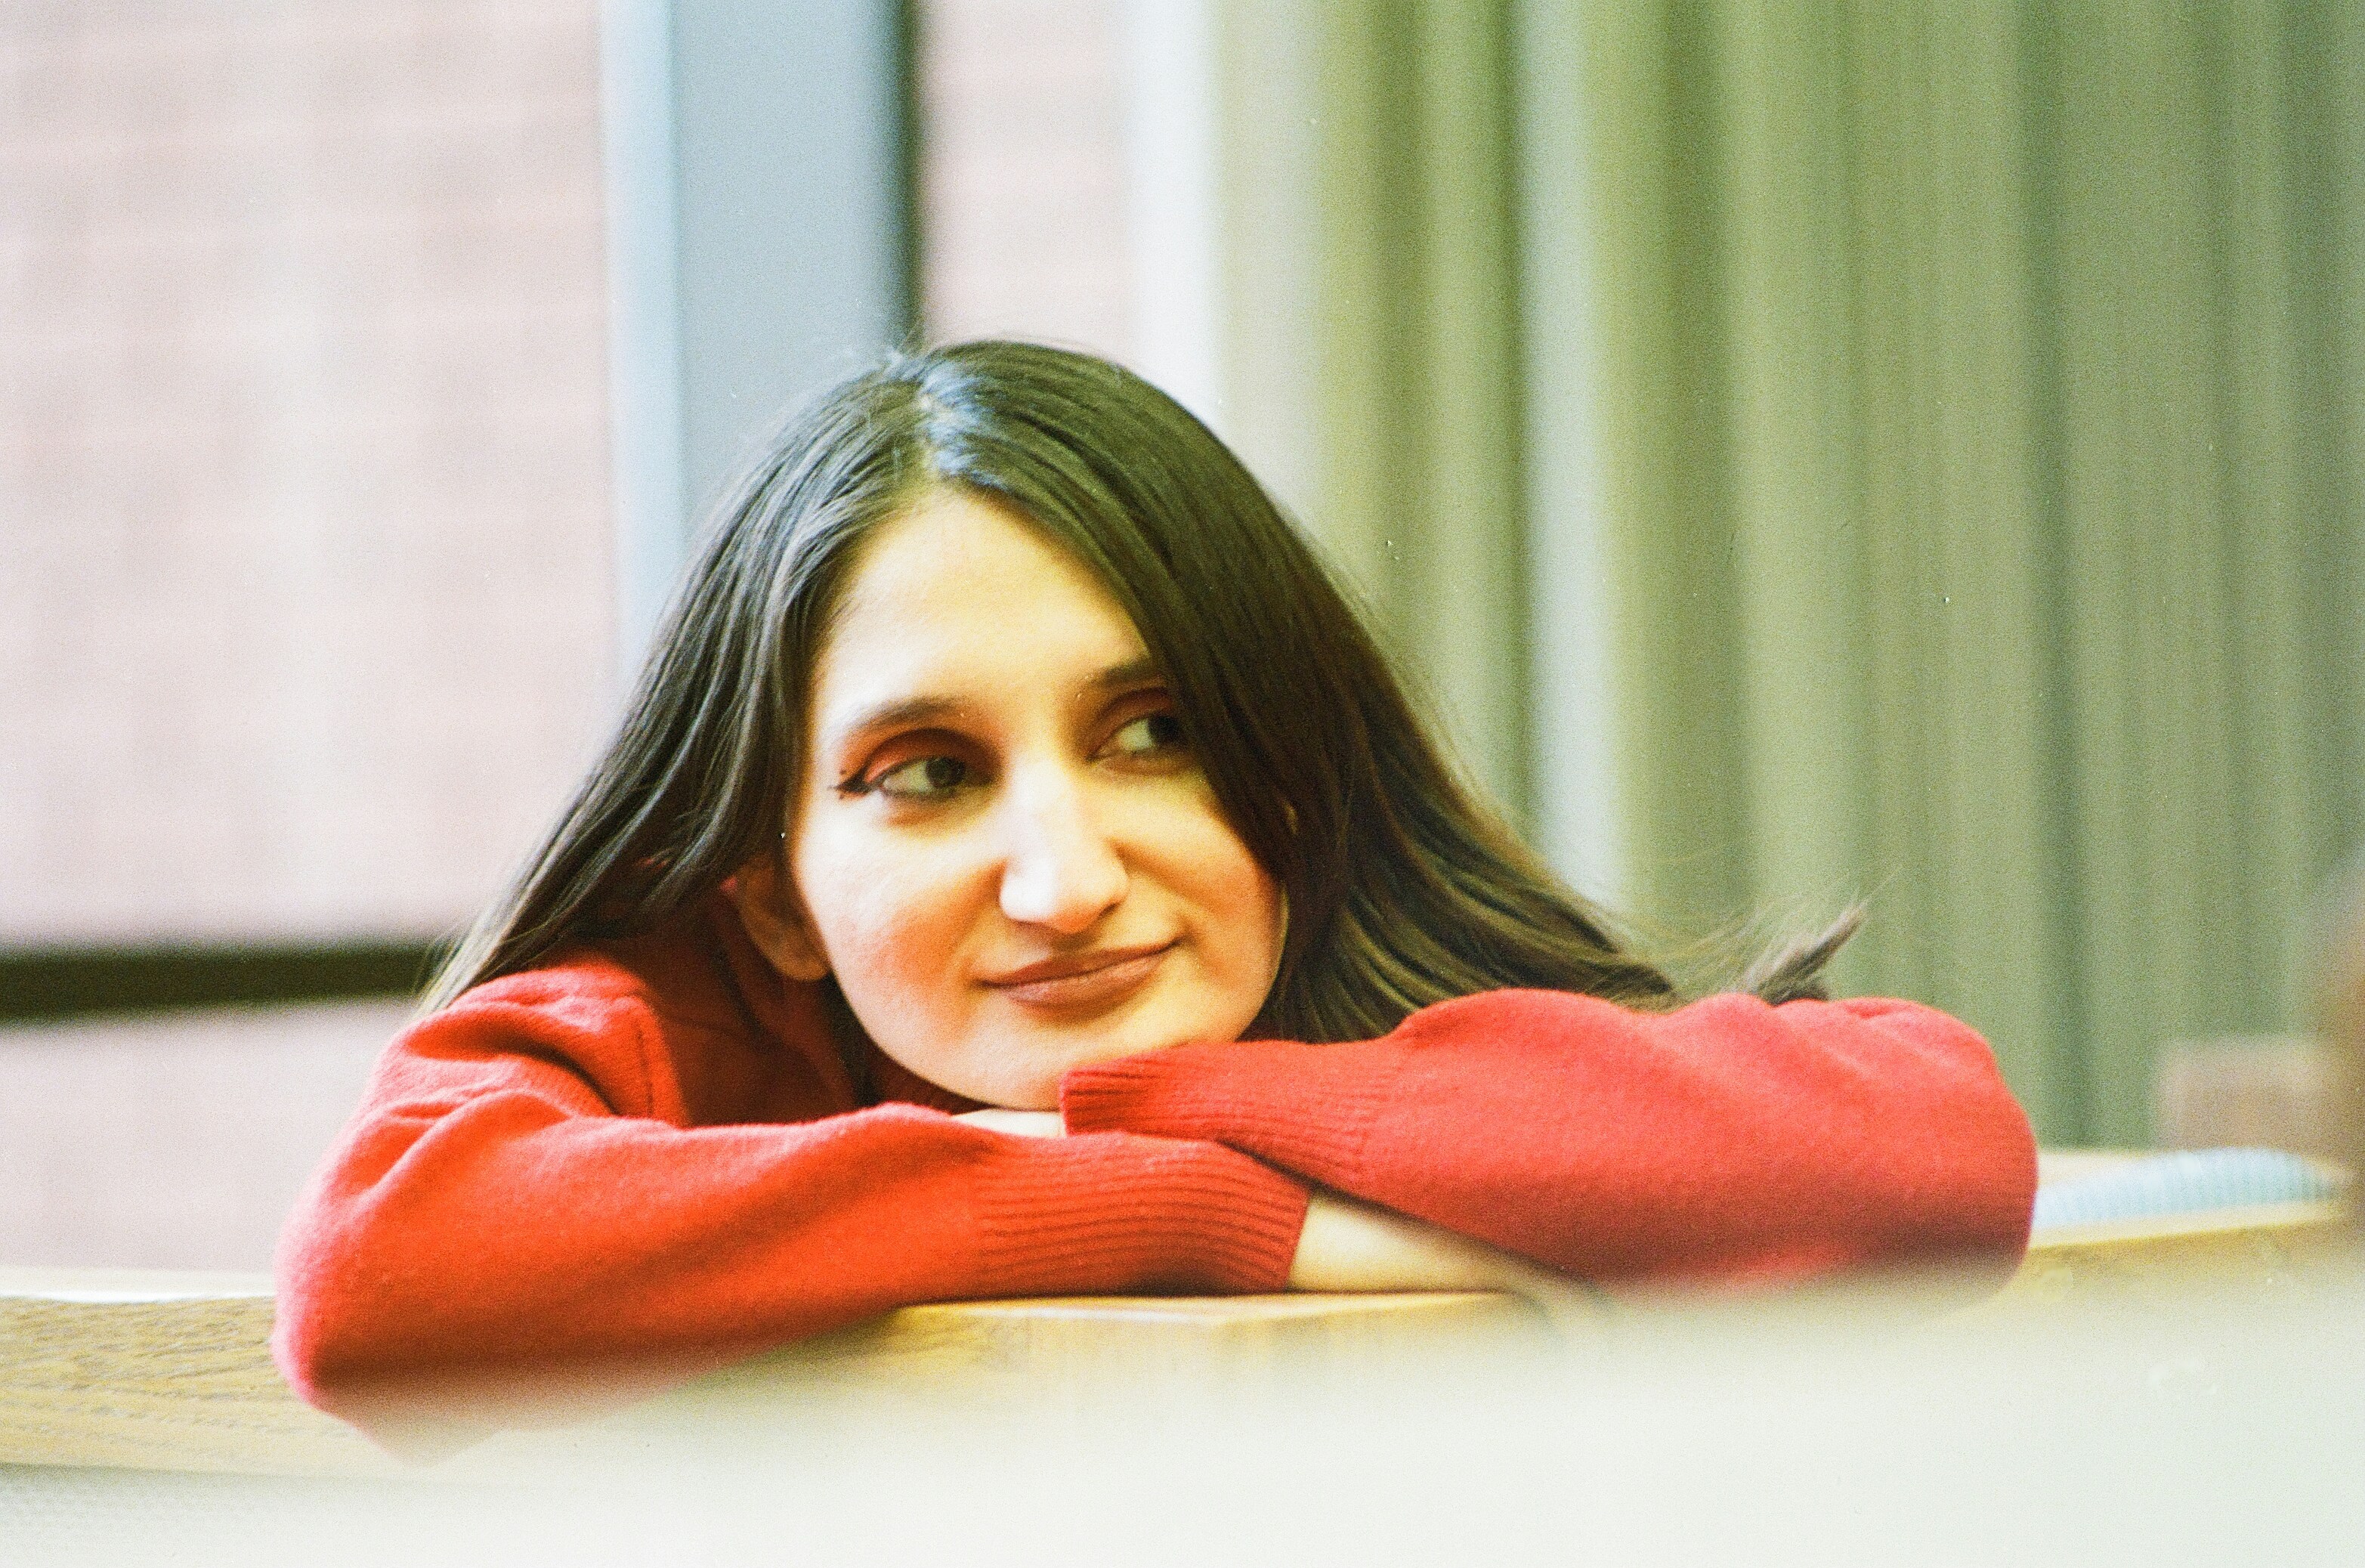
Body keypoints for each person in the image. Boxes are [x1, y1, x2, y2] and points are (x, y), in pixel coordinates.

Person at [273, 341, 2038, 1424]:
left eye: (1154, 735)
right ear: (774, 896)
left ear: (1289, 770)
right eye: (929, 774)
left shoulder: (1418, 1017)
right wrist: (1193, 1209)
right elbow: (376, 1274)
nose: (1060, 882)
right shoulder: (679, 1028)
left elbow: (1934, 1146)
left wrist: (1163, 1114)